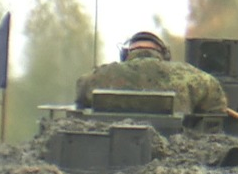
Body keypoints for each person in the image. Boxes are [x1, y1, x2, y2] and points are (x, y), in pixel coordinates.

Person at [75, 31, 228, 115]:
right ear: (164, 54)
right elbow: (216, 107)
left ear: (126, 54)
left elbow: (81, 94)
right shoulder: (190, 76)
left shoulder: (99, 77)